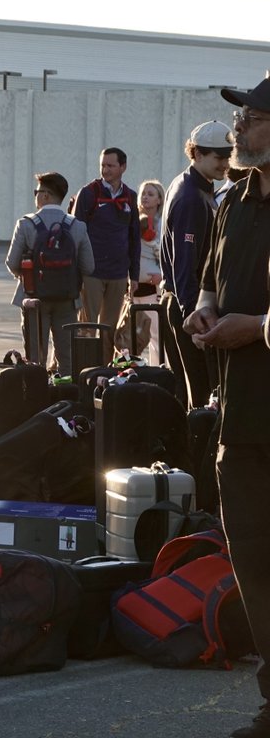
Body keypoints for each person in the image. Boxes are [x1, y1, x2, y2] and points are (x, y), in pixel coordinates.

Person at [183, 77, 270, 738]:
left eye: (253, 117)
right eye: (238, 116)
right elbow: (212, 277)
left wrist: (258, 327)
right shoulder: (234, 199)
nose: (236, 129)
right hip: (240, 416)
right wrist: (207, 309)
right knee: (254, 559)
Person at [160, 121, 233, 409]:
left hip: (185, 305)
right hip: (188, 307)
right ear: (198, 154)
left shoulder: (194, 185)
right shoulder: (192, 196)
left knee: (198, 394)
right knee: (203, 398)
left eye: (229, 155)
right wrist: (194, 317)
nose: (226, 163)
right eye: (219, 156)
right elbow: (185, 264)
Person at [4, 172, 93, 374]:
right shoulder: (77, 226)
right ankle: (67, 397)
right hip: (67, 300)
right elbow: (89, 267)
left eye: (37, 192)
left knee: (35, 356)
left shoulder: (26, 224)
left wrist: (28, 276)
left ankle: (37, 398)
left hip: (34, 299)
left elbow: (11, 262)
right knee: (67, 357)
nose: (35, 195)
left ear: (45, 195)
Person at [69, 147, 141, 342]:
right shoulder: (88, 193)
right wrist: (76, 272)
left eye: (111, 165)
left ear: (123, 167)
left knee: (109, 331)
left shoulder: (130, 196)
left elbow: (135, 237)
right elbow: (75, 235)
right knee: (87, 329)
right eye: (103, 165)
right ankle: (84, 369)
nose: (105, 170)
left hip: (118, 274)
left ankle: (104, 371)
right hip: (92, 273)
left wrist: (134, 275)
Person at [125, 179, 164, 359]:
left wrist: (161, 276)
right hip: (132, 288)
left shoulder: (163, 224)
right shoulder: (131, 222)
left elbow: (167, 254)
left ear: (159, 200)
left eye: (150, 194)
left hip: (153, 289)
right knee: (131, 335)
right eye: (143, 194)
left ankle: (160, 372)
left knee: (156, 334)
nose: (145, 197)